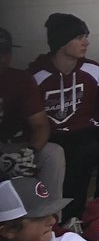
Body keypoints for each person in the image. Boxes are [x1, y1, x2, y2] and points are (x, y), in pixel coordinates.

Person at [28, 14, 99, 223]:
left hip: (85, 128)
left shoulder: (92, 69)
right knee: (85, 148)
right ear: (62, 42)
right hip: (55, 134)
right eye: (79, 37)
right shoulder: (37, 75)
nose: (86, 42)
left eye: (86, 36)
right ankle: (73, 216)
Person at [0, 28, 64, 194]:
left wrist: (30, 151)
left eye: (5, 51)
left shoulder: (20, 79)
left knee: (53, 153)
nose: (2, 57)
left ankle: (50, 215)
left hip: (14, 147)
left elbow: (41, 124)